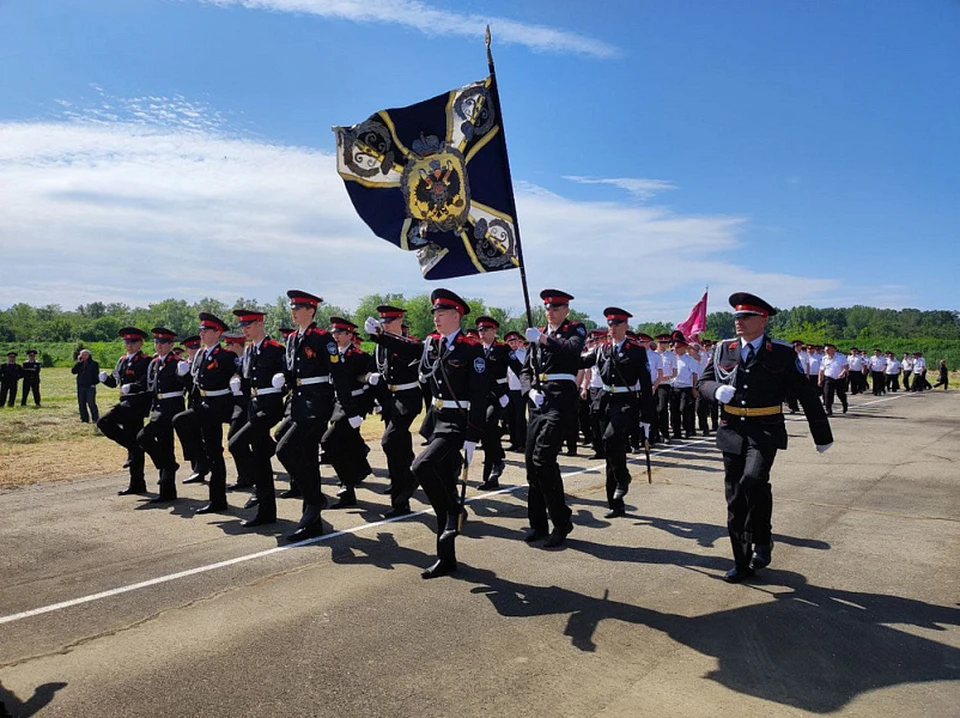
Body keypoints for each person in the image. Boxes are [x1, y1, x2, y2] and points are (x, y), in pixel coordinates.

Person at [698, 292, 833, 583]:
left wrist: (820, 433)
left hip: (765, 429)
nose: (739, 322)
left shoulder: (782, 353)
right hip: (732, 429)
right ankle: (741, 561)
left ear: (763, 319)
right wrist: (714, 392)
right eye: (736, 317)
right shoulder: (724, 349)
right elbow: (704, 382)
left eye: (746, 317)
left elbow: (805, 393)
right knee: (734, 498)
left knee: (753, 480)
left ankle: (762, 537)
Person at [409, 288, 489, 578]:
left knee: (421, 466)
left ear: (456, 315)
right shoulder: (433, 344)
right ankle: (446, 558)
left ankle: (454, 511)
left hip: (457, 422)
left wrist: (473, 435)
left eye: (442, 314)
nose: (437, 318)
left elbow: (480, 395)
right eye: (435, 314)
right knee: (443, 481)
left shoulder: (471, 348)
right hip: (436, 420)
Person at [275, 290, 352, 542]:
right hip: (298, 402)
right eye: (292, 307)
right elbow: (293, 370)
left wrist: (349, 409)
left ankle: (315, 500)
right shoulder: (294, 338)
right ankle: (312, 517)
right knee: (307, 458)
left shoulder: (322, 339)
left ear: (311, 310)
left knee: (285, 449)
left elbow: (338, 373)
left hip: (317, 404)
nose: (293, 311)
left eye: (299, 307)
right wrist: (283, 379)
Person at [520, 289, 585, 548]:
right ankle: (538, 524)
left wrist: (545, 339)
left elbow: (572, 353)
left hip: (561, 399)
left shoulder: (575, 330)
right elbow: (526, 370)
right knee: (531, 464)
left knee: (544, 459)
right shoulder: (537, 334)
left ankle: (562, 521)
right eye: (548, 308)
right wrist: (529, 390)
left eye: (557, 307)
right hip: (539, 399)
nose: (551, 311)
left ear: (566, 310)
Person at [580, 307, 655, 518]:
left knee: (611, 438)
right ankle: (615, 503)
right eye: (610, 324)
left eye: (617, 324)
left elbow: (646, 386)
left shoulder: (636, 351)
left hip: (626, 402)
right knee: (611, 449)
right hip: (605, 401)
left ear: (626, 326)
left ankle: (624, 477)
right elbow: (580, 362)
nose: (612, 328)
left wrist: (647, 419)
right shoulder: (601, 349)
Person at [227, 309, 288, 527]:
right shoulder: (250, 350)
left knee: (236, 443)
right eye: (242, 326)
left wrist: (283, 381)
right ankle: (266, 511)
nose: (244, 330)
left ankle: (257, 488)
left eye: (249, 325)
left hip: (269, 407)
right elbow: (247, 380)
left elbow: (288, 375)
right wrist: (236, 380)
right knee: (261, 459)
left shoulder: (276, 349)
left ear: (260, 324)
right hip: (253, 406)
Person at [173, 313, 238, 514]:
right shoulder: (200, 354)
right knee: (184, 425)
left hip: (218, 405)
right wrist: (182, 375)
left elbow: (237, 376)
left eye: (205, 330)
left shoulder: (227, 355)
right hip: (202, 403)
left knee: (213, 452)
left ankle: (213, 489)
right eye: (201, 330)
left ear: (217, 333)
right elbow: (193, 383)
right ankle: (216, 498)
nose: (201, 333)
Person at [364, 305, 423, 518]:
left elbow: (410, 352)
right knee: (399, 446)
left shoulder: (411, 343)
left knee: (390, 441)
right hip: (389, 400)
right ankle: (401, 498)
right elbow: (372, 368)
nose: (386, 324)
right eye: (383, 321)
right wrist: (373, 382)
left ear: (400, 321)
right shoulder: (380, 346)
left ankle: (408, 480)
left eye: (390, 320)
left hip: (407, 399)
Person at [320, 317, 373, 509]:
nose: (336, 336)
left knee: (329, 440)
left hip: (353, 404)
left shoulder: (359, 356)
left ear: (350, 335)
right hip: (337, 403)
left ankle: (347, 482)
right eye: (334, 333)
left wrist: (366, 408)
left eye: (340, 333)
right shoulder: (330, 355)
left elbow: (368, 385)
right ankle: (353, 481)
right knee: (347, 444)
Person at [97, 328, 152, 495]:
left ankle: (133, 449)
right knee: (134, 441)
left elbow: (147, 383)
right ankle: (137, 484)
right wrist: (106, 380)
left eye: (133, 342)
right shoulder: (122, 360)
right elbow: (116, 382)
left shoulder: (145, 361)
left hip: (137, 405)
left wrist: (133, 387)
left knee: (104, 422)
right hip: (125, 403)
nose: (129, 345)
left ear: (140, 343)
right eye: (126, 342)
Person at [136, 327, 185, 502]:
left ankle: (169, 467)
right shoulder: (155, 363)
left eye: (163, 343)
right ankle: (168, 492)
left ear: (171, 344)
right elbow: (147, 384)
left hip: (171, 408)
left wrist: (184, 373)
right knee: (165, 447)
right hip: (157, 407)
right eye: (156, 342)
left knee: (143, 437)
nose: (159, 346)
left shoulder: (176, 363)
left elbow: (186, 383)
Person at [475, 315, 511, 490]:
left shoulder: (503, 350)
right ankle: (491, 475)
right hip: (481, 395)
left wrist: (531, 388)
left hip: (499, 395)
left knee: (489, 424)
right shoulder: (476, 349)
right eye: (480, 330)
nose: (482, 333)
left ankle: (497, 463)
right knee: (485, 432)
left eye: (486, 329)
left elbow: (519, 368)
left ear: (494, 331)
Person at [670, 332, 698, 439]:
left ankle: (688, 429)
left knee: (684, 409)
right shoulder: (672, 358)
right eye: (674, 347)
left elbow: (694, 374)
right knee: (674, 410)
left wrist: (694, 387)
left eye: (678, 347)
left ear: (683, 348)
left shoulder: (690, 360)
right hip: (674, 386)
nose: (675, 349)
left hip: (686, 387)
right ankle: (677, 432)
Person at [503, 331, 528, 452]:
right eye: (510, 342)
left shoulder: (524, 354)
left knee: (520, 417)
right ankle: (514, 441)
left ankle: (522, 442)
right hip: (509, 389)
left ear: (519, 342)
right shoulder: (505, 355)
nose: (513, 344)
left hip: (520, 389)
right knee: (510, 417)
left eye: (515, 341)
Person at [818, 343, 849, 416]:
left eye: (828, 349)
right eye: (825, 350)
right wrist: (820, 380)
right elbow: (821, 370)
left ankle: (844, 403)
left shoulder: (841, 357)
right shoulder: (824, 358)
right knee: (827, 394)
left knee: (840, 393)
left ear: (833, 349)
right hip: (829, 378)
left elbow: (846, 366)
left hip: (839, 378)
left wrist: (843, 372)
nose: (826, 351)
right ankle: (829, 410)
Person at [71, 349, 100, 423]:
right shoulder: (80, 364)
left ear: (88, 355)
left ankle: (95, 418)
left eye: (84, 355)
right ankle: (84, 419)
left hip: (90, 386)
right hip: (81, 386)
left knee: (91, 403)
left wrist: (94, 384)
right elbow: (73, 371)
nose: (83, 356)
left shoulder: (94, 364)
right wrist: (78, 363)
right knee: (81, 403)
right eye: (81, 355)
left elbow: (96, 375)